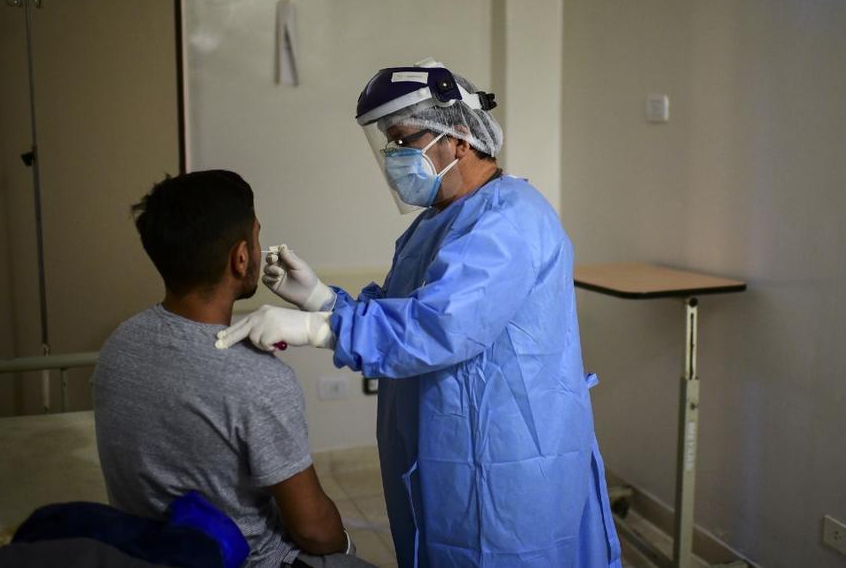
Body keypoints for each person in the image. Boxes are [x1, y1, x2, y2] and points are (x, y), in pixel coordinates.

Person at [217, 59, 622, 567]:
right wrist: (321, 299)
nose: (393, 157)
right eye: (388, 144)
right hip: (446, 449)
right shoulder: (436, 222)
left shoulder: (510, 219)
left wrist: (317, 328)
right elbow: (404, 316)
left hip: (505, 461)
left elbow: (440, 327)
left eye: (403, 140)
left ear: (458, 139)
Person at [92, 170, 374, 568]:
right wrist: (345, 547)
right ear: (241, 258)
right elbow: (313, 530)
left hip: (148, 553)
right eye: (256, 238)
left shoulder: (120, 344)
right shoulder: (259, 380)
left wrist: (320, 299)